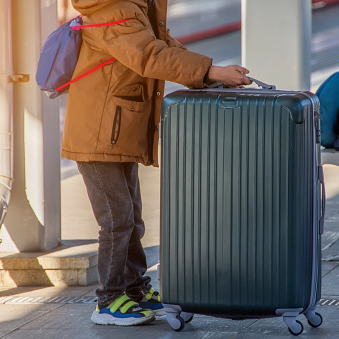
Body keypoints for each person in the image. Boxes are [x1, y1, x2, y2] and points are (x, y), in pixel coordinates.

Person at [63, 0, 252, 326]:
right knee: (116, 220)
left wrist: (207, 74)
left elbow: (164, 45)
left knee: (131, 219)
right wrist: (209, 71)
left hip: (117, 129)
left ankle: (135, 290)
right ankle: (107, 301)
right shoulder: (114, 9)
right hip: (98, 133)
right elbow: (150, 55)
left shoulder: (137, 6)